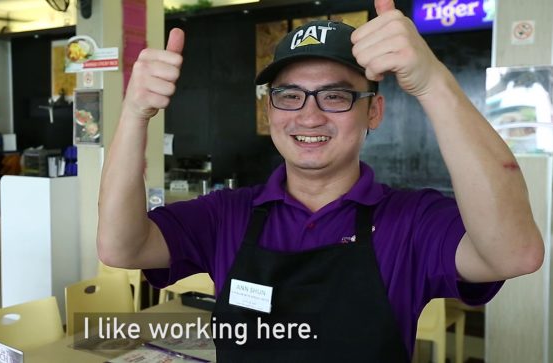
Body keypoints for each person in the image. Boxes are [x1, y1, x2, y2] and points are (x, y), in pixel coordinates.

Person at [98, 0, 544, 360]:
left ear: (373, 111)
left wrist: (431, 83)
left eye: (335, 95)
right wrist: (135, 112)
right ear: (269, 111)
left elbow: (516, 253)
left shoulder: (411, 222)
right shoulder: (226, 214)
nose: (308, 115)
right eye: (289, 96)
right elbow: (121, 247)